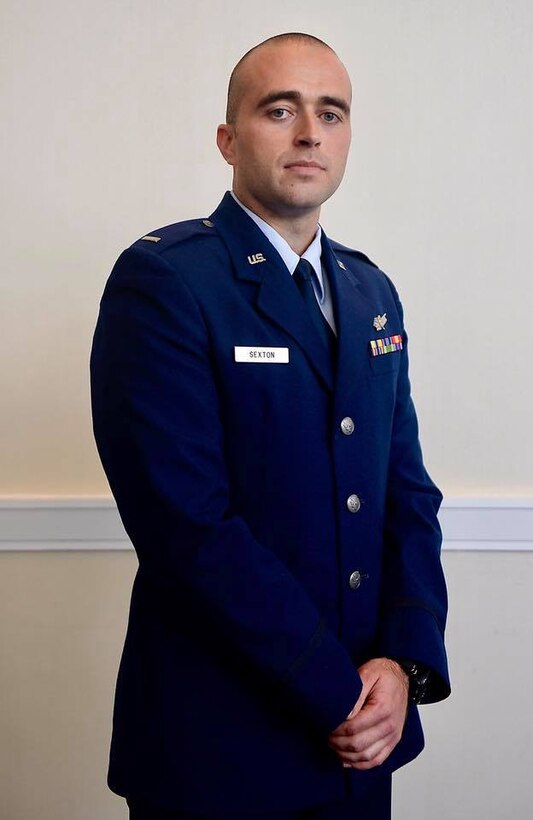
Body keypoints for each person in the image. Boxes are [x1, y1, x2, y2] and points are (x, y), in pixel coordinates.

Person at [91, 32, 450, 820]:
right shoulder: (165, 282)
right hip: (221, 744)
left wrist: (400, 663)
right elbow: (188, 526)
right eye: (279, 109)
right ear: (227, 138)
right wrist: (336, 691)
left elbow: (407, 496)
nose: (309, 133)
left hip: (361, 742)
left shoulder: (369, 292)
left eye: (331, 113)